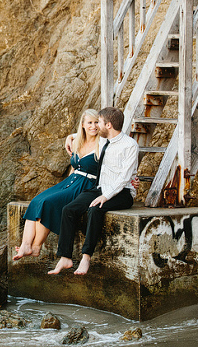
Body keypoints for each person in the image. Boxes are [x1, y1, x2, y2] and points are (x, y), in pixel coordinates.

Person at [49, 106, 139, 275]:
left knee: (94, 209)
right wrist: (70, 137)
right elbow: (81, 134)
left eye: (100, 123)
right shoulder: (104, 140)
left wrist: (106, 196)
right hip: (100, 188)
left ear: (109, 125)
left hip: (123, 192)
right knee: (68, 209)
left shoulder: (130, 145)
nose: (97, 126)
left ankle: (86, 257)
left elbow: (124, 178)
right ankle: (65, 257)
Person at [12, 109, 104, 261]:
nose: (93, 126)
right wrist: (71, 136)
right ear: (83, 124)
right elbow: (74, 167)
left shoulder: (102, 144)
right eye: (89, 123)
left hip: (86, 184)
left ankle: (36, 247)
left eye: (96, 123)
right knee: (36, 200)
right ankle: (25, 245)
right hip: (70, 180)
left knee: (48, 203)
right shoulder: (77, 142)